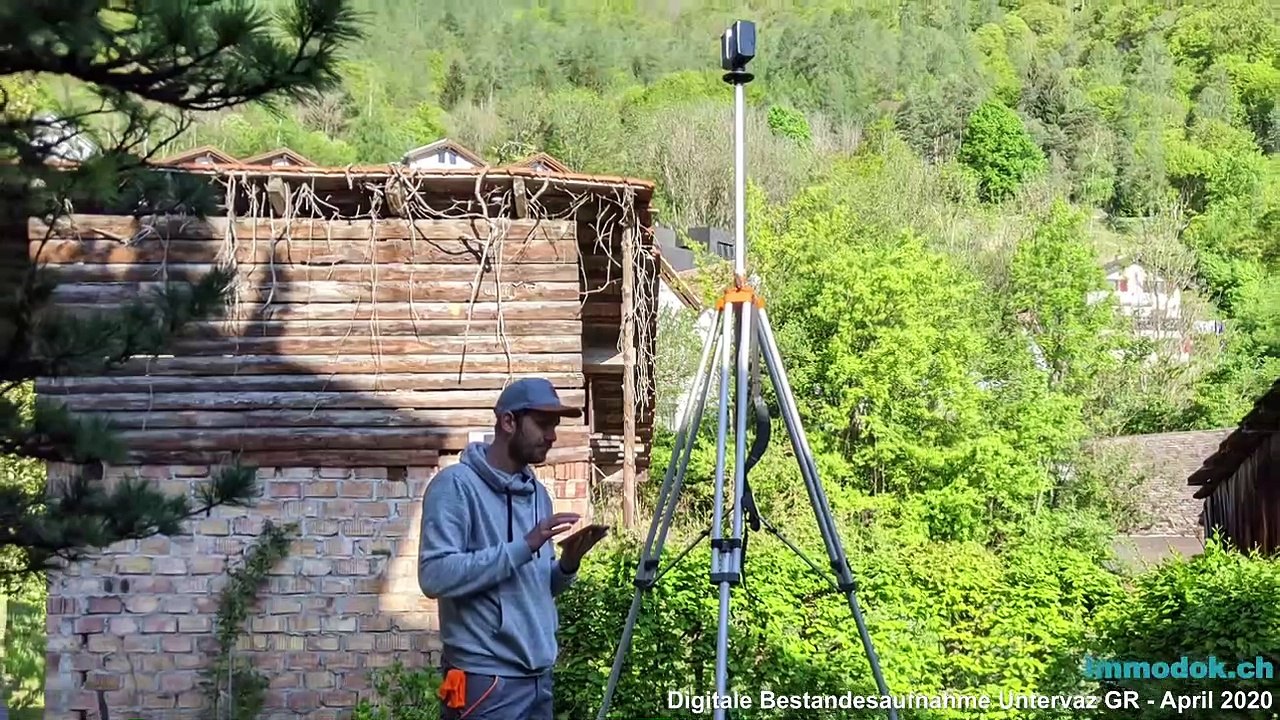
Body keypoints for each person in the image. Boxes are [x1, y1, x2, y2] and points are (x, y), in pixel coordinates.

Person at [417, 377, 609, 720]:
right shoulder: (455, 487)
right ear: (508, 422)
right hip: (484, 682)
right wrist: (524, 545)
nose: (552, 435)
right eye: (543, 424)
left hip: (538, 681)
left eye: (555, 426)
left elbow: (536, 585)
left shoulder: (539, 496)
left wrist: (567, 564)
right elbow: (434, 576)